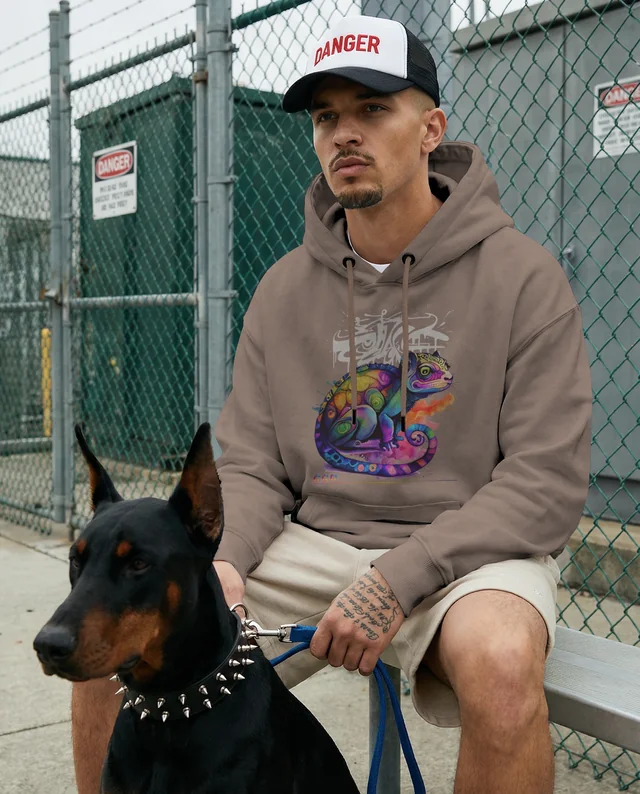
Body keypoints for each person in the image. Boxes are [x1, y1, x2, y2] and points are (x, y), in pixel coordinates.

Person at [70, 14, 592, 794]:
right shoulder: (284, 290)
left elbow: (543, 480)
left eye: (372, 109)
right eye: (326, 117)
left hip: (466, 558)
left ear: (430, 128)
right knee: (107, 637)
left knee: (504, 664)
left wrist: (398, 579)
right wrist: (227, 559)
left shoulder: (523, 277)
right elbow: (251, 462)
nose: (344, 133)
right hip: (313, 545)